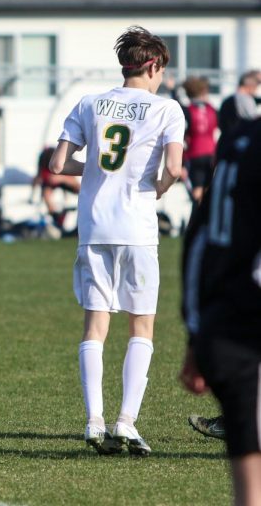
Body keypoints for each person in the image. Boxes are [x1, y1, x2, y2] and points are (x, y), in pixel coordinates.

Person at [49, 26, 185, 456]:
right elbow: (175, 168)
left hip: (94, 229)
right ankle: (126, 422)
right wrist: (158, 185)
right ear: (152, 65)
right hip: (137, 230)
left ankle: (93, 421)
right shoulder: (166, 109)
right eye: (162, 69)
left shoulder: (89, 103)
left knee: (95, 325)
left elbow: (58, 163)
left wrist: (95, 172)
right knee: (141, 325)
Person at [180, 118, 261, 505]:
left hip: (229, 323)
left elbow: (200, 238)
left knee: (249, 472)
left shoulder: (240, 138)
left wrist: (196, 332)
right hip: (240, 322)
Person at [180, 76, 218, 205]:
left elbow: (183, 136)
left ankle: (197, 220)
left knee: (197, 192)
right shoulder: (211, 109)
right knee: (208, 192)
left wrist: (182, 163)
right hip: (212, 154)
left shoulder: (187, 110)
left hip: (195, 154)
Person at [30, 146, 80, 233]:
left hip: (65, 181)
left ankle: (72, 223)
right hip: (50, 184)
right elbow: (39, 177)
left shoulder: (66, 158)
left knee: (80, 190)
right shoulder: (45, 161)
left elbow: (75, 183)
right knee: (46, 192)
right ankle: (57, 219)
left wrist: (61, 178)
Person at [218, 70, 260, 143]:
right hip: (238, 141)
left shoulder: (228, 100)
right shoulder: (246, 99)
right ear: (250, 87)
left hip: (225, 140)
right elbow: (253, 120)